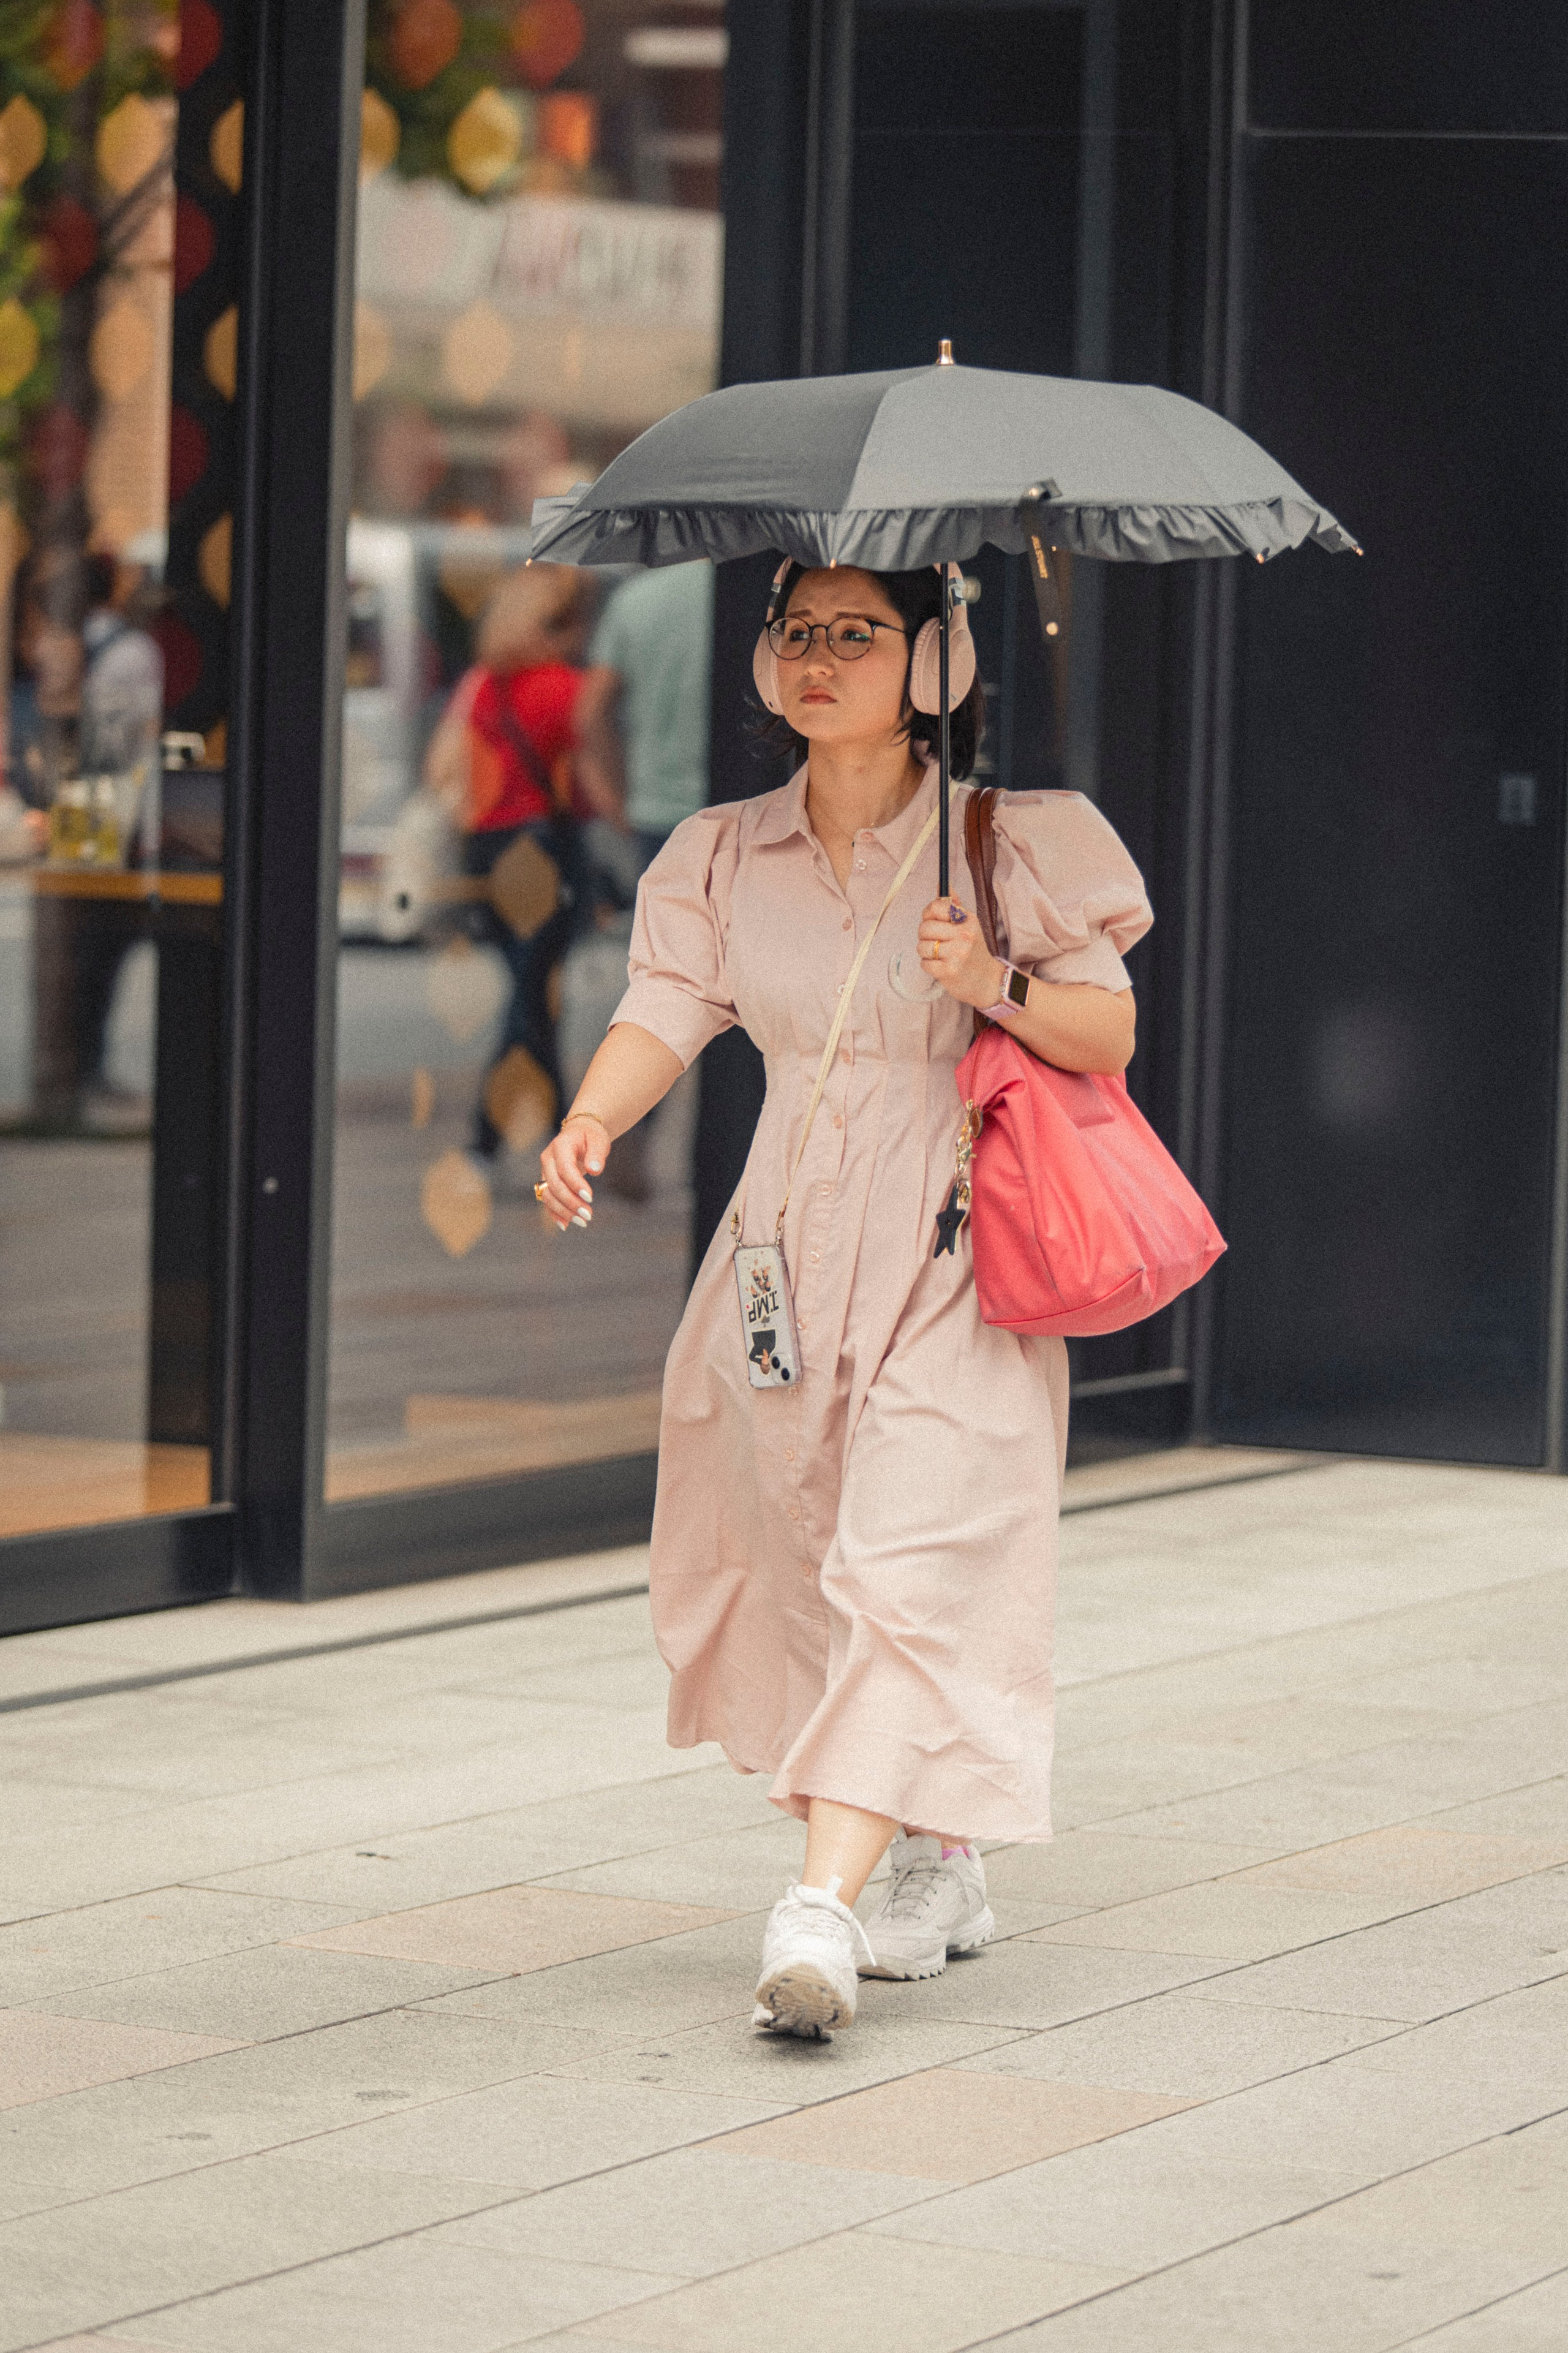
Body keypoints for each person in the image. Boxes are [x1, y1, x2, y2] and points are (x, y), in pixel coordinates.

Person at [535, 561, 1151, 2039]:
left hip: (953, 1235)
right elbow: (666, 1005)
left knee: (913, 1545)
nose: (816, 656)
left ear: (932, 657)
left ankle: (815, 1903)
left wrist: (988, 973)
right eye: (792, 630)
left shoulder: (1007, 838)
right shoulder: (722, 851)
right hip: (784, 1243)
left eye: (854, 633)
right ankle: (933, 1851)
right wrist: (591, 1120)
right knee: (805, 1544)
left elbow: (1107, 1029)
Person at [424, 562, 614, 1168]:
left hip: (486, 847)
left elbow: (444, 768)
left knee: (532, 991)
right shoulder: (565, 688)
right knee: (531, 995)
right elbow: (583, 787)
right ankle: (488, 1135)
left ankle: (559, 1128)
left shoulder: (483, 685)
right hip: (542, 851)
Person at [573, 560, 715, 1200]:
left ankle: (625, 1124)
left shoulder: (638, 599)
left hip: (657, 815)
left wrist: (614, 795)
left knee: (663, 976)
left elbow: (590, 710)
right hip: (750, 809)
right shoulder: (770, 589)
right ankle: (732, 1150)